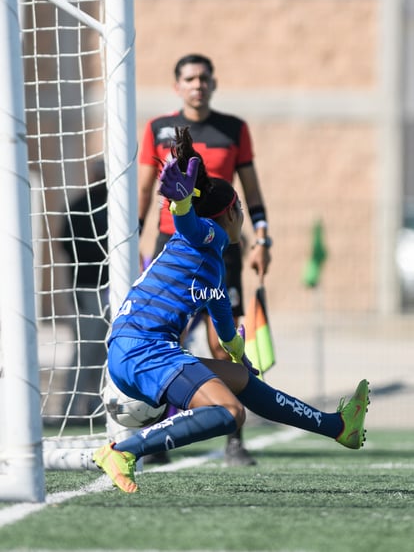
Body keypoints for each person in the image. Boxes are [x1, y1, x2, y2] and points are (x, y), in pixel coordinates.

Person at [93, 127, 370, 494]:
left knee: (240, 381)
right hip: (143, 350)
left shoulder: (212, 267)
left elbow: (224, 325)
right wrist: (181, 206)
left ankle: (339, 428)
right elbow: (190, 227)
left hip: (136, 349)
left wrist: (239, 354)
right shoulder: (206, 236)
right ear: (230, 213)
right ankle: (122, 451)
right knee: (229, 413)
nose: (242, 215)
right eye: (239, 208)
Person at [138, 53, 272, 465]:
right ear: (177, 86)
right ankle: (158, 436)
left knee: (222, 337)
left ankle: (234, 437)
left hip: (222, 248)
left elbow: (251, 191)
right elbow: (144, 189)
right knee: (167, 338)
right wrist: (129, 233)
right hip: (171, 244)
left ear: (214, 84)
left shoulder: (234, 130)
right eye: (190, 79)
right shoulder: (158, 128)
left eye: (204, 78)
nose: (198, 85)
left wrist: (262, 236)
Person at [60, 160, 109, 420]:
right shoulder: (81, 206)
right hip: (88, 288)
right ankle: (69, 408)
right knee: (84, 350)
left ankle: (97, 408)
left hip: (114, 288)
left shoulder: (119, 206)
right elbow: (67, 245)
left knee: (106, 352)